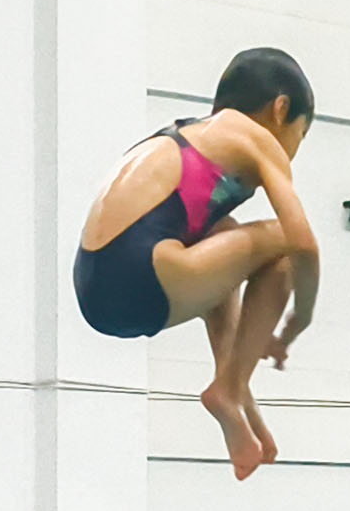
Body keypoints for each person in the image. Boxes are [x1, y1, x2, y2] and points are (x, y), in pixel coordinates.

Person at [72, 48, 324, 479]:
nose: (294, 151)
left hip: (97, 288)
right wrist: (295, 324)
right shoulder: (256, 136)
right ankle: (228, 389)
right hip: (143, 276)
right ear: (281, 109)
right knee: (280, 248)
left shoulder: (186, 133)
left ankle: (236, 392)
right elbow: (303, 243)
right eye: (301, 136)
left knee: (221, 230)